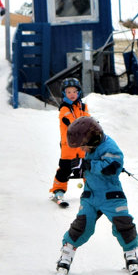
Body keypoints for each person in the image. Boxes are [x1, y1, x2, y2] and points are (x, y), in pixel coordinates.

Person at [54, 116, 138, 275]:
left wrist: (88, 166)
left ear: (93, 139)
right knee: (81, 225)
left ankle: (131, 254)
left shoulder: (110, 146)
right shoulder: (91, 148)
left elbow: (112, 167)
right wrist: (78, 169)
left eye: (84, 146)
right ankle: (66, 255)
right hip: (90, 195)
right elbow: (87, 167)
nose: (84, 150)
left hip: (111, 195)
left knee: (123, 223)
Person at [49, 77, 88, 207]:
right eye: (69, 92)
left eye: (74, 91)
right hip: (69, 146)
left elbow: (87, 119)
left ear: (79, 93)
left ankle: (91, 190)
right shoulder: (64, 109)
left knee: (86, 168)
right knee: (65, 169)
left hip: (83, 145)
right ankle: (58, 190)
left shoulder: (83, 106)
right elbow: (72, 122)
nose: (72, 94)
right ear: (64, 94)